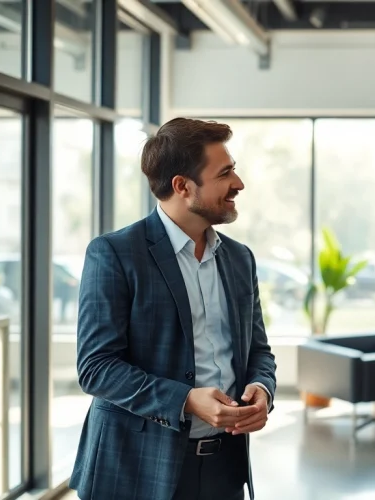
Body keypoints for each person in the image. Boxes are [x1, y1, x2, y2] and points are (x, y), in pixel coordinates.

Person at [69, 118, 277, 500]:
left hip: (224, 469)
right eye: (226, 172)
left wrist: (262, 389)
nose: (239, 183)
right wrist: (184, 400)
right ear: (182, 186)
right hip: (134, 469)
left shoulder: (239, 259)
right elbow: (96, 368)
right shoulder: (114, 254)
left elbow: (258, 350)